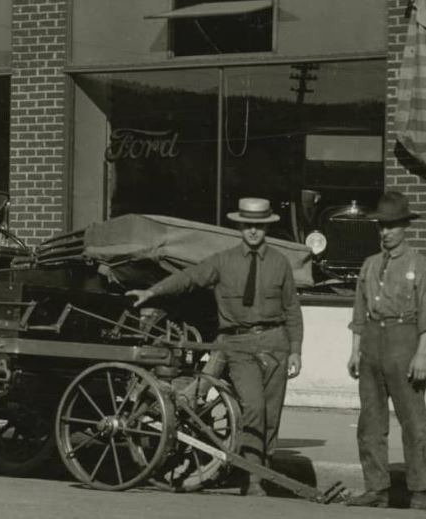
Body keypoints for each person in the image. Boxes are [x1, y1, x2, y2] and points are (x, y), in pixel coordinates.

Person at [126, 197, 303, 496]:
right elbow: (189, 278)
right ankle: (253, 479)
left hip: (275, 344)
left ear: (267, 228)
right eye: (248, 226)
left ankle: (266, 469)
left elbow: (292, 310)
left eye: (259, 226)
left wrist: (296, 349)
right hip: (238, 344)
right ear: (240, 227)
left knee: (272, 415)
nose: (253, 231)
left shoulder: (280, 264)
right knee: (254, 409)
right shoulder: (223, 261)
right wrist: (152, 292)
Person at [345, 191, 426, 509]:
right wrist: (355, 351)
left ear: (405, 226)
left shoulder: (418, 263)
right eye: (382, 226)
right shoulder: (370, 264)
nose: (386, 232)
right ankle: (376, 488)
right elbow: (359, 311)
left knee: (414, 422)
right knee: (370, 423)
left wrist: (422, 354)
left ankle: (419, 491)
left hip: (404, 342)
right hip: (372, 344)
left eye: (392, 226)